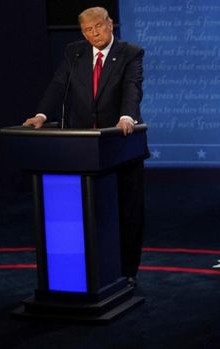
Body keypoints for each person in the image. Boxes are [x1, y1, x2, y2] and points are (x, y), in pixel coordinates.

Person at [23, 6, 146, 285]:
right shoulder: (74, 52)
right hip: (81, 149)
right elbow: (58, 85)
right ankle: (88, 272)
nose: (94, 34)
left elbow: (132, 87)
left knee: (127, 211)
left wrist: (127, 116)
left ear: (110, 24)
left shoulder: (130, 52)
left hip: (120, 145)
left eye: (98, 27)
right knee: (85, 212)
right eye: (88, 30)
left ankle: (127, 272)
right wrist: (42, 115)